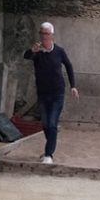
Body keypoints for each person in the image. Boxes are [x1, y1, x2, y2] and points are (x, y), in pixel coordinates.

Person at [23, 22, 79, 164]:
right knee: (46, 124)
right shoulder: (37, 52)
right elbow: (26, 56)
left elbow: (69, 66)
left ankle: (48, 154)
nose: (43, 36)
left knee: (52, 123)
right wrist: (32, 51)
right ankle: (50, 144)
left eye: (46, 34)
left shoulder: (59, 51)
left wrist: (73, 86)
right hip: (42, 94)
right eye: (41, 33)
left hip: (57, 93)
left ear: (52, 35)